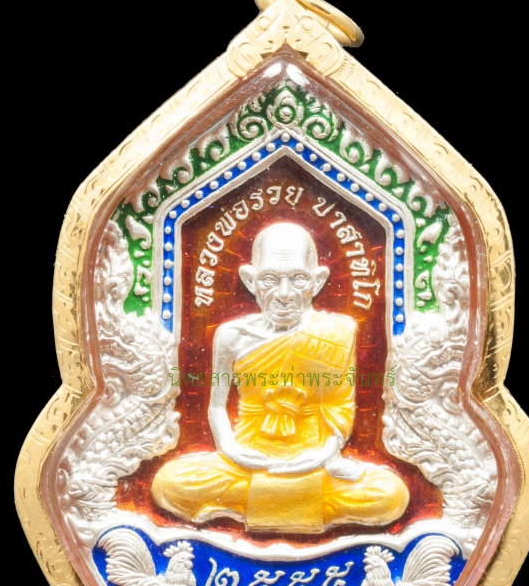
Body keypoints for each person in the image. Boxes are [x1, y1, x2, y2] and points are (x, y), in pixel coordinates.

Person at [152, 222, 409, 533]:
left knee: (390, 494)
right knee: (168, 484)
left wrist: (324, 453)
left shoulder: (337, 332)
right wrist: (231, 449)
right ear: (250, 280)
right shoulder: (231, 335)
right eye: (270, 279)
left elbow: (340, 405)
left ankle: (260, 501)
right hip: (248, 458)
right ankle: (299, 503)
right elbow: (217, 407)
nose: (284, 294)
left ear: (317, 281)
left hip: (314, 460)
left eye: (298, 279)